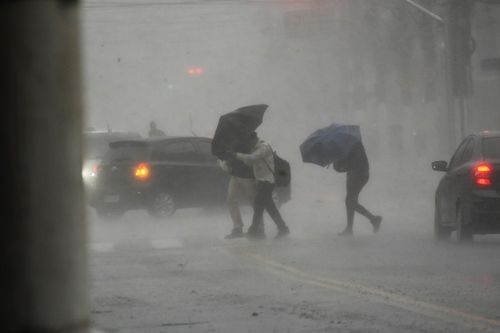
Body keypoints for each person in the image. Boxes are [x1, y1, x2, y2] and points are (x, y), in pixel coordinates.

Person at [230, 133, 290, 239]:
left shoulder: (264, 147)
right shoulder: (255, 149)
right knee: (269, 207)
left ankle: (253, 229)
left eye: (250, 141)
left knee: (258, 205)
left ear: (254, 139)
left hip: (267, 181)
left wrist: (237, 155)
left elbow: (254, 158)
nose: (249, 144)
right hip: (261, 182)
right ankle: (283, 228)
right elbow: (250, 162)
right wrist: (241, 158)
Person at [334, 141, 382, 236]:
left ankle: (372, 219)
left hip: (357, 174)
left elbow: (345, 165)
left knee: (350, 201)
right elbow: (345, 165)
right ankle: (352, 227)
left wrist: (336, 162)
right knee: (351, 201)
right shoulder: (352, 143)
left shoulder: (349, 145)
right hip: (357, 174)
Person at [219, 143, 258, 239]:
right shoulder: (232, 141)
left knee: (253, 201)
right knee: (231, 200)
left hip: (246, 175)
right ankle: (237, 227)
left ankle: (259, 227)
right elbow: (232, 156)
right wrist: (226, 162)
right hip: (235, 174)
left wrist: (232, 158)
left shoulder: (245, 141)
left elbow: (248, 158)